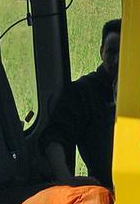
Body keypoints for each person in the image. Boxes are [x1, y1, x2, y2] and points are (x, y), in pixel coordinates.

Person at [41, 19, 120, 188]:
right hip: (102, 187)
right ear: (101, 52)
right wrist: (65, 179)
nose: (116, 60)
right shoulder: (83, 92)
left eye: (124, 52)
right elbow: (54, 136)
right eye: (111, 52)